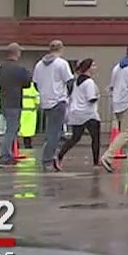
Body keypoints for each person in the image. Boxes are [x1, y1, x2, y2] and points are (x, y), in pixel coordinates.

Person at [32, 40, 74, 172]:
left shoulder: (39, 65)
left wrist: (44, 93)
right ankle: (48, 160)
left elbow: (35, 83)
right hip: (58, 100)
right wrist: (68, 95)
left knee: (52, 130)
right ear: (61, 49)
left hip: (46, 101)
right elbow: (69, 81)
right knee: (54, 133)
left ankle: (50, 157)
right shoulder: (61, 63)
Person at [58, 58, 102, 168]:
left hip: (76, 112)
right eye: (93, 65)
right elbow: (91, 98)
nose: (95, 67)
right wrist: (97, 96)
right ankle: (96, 161)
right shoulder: (89, 82)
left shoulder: (76, 82)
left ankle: (59, 155)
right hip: (89, 113)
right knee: (95, 138)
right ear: (88, 68)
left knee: (75, 138)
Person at [0, 43, 32, 165]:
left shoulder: (2, 68)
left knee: (10, 128)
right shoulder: (19, 69)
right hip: (14, 102)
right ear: (16, 53)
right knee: (12, 129)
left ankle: (9, 152)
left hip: (4, 101)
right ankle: (5, 155)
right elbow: (27, 83)